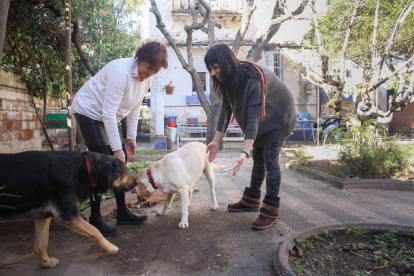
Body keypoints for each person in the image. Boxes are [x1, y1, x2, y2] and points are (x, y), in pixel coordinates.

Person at [70, 41, 168, 236]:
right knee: (102, 166)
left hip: (108, 117)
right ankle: (96, 219)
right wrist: (116, 149)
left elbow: (135, 108)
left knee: (117, 164)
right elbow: (108, 112)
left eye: (155, 72)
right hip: (89, 113)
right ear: (140, 59)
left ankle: (122, 212)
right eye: (149, 68)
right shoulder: (120, 72)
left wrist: (130, 138)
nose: (149, 75)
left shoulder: (146, 78)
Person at [204, 44, 295, 230]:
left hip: (279, 116)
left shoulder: (252, 77)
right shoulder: (228, 80)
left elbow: (254, 114)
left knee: (269, 158)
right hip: (263, 119)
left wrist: (245, 150)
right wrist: (215, 140)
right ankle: (252, 199)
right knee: (259, 158)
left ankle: (270, 210)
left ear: (226, 62)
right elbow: (225, 111)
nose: (213, 73)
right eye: (210, 69)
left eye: (215, 67)